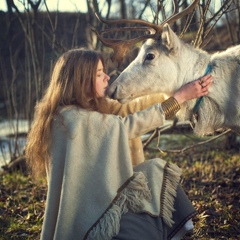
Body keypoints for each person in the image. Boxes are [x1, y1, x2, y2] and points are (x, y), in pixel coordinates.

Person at [25, 48, 213, 240]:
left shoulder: (73, 112)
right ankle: (180, 232)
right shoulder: (74, 119)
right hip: (91, 220)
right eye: (99, 74)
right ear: (80, 79)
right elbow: (127, 125)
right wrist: (179, 98)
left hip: (94, 207)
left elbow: (131, 109)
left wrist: (172, 91)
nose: (107, 77)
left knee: (154, 171)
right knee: (156, 172)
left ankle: (182, 231)